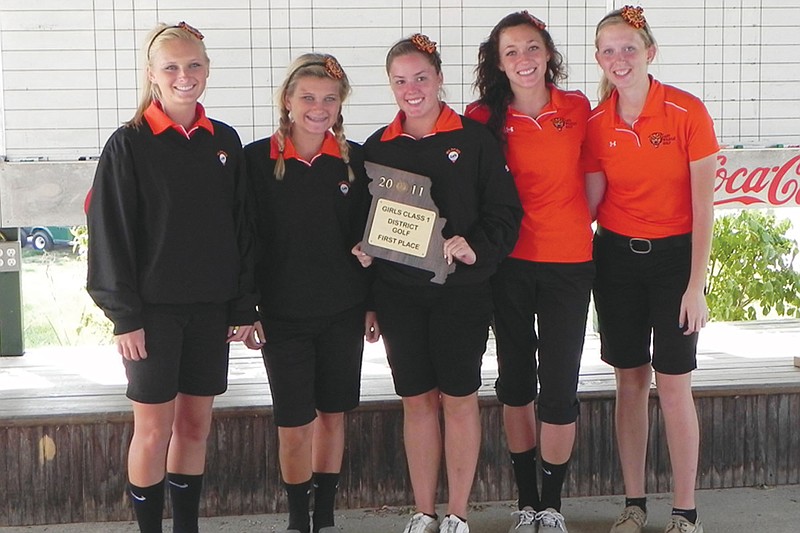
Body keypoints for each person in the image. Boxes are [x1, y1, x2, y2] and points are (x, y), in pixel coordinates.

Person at [86, 22, 257, 533]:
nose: (185, 76)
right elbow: (109, 233)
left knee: (194, 426)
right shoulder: (128, 144)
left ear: (207, 69)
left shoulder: (224, 141)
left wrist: (243, 306)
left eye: (194, 65)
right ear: (152, 75)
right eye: (172, 67)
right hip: (152, 315)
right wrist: (125, 317)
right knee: (153, 428)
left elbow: (243, 228)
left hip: (209, 310)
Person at [352, 34, 522, 533]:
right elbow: (363, 226)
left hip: (461, 294)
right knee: (417, 401)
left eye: (421, 77)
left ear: (440, 78)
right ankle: (424, 512)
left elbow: (505, 214)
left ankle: (458, 514)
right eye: (400, 81)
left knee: (459, 397)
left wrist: (477, 248)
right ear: (389, 86)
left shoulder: (474, 139)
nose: (412, 89)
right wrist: (366, 258)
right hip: (398, 296)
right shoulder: (376, 149)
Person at [584, 6, 718, 533]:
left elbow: (704, 207)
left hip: (673, 260)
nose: (620, 59)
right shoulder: (597, 123)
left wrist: (695, 285)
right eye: (609, 51)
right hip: (615, 258)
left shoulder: (686, 112)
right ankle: (634, 505)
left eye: (629, 49)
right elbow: (587, 204)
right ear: (599, 59)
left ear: (650, 53)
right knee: (630, 382)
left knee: (674, 382)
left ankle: (685, 512)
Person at [465, 11, 594, 533]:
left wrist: (574, 224)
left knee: (559, 386)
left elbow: (594, 179)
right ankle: (525, 501)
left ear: (548, 53)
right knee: (516, 384)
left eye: (532, 47)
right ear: (498, 63)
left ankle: (552, 505)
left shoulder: (578, 107)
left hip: (569, 264)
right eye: (512, 51)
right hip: (509, 265)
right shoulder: (480, 117)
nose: (524, 59)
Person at [242, 53, 380, 533]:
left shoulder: (355, 160)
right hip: (282, 316)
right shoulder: (255, 160)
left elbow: (371, 236)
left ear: (340, 105)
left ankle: (325, 518)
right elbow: (245, 238)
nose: (318, 107)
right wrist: (247, 308)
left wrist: (369, 297)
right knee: (294, 423)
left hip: (342, 311)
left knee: (332, 416)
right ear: (287, 100)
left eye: (328, 98)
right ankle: (298, 520)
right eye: (307, 97)